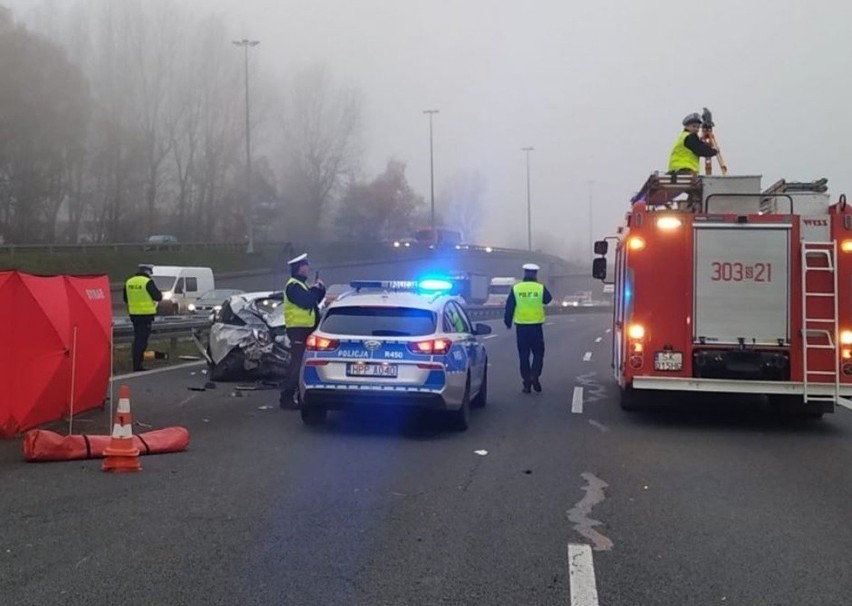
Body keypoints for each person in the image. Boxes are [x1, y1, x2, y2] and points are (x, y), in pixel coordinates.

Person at [280, 253, 326, 409]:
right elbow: (306, 302)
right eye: (306, 266)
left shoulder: (302, 285)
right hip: (298, 330)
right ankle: (286, 397)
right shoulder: (293, 286)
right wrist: (313, 290)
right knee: (297, 364)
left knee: (302, 364)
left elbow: (314, 302)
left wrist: (320, 289)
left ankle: (298, 395)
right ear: (299, 269)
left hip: (306, 329)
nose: (308, 269)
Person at [504, 263, 552, 393]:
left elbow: (509, 306)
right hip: (536, 327)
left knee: (523, 355)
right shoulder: (540, 288)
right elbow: (548, 300)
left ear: (524, 273)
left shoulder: (516, 288)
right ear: (536, 274)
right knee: (538, 353)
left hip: (521, 327)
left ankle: (526, 382)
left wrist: (507, 322)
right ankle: (535, 375)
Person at [123, 264, 163, 372]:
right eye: (150, 272)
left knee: (137, 339)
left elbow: (125, 299)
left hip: (134, 315)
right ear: (147, 271)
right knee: (142, 341)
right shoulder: (147, 282)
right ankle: (138, 365)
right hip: (146, 315)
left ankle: (136, 363)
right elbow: (158, 297)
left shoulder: (129, 282)